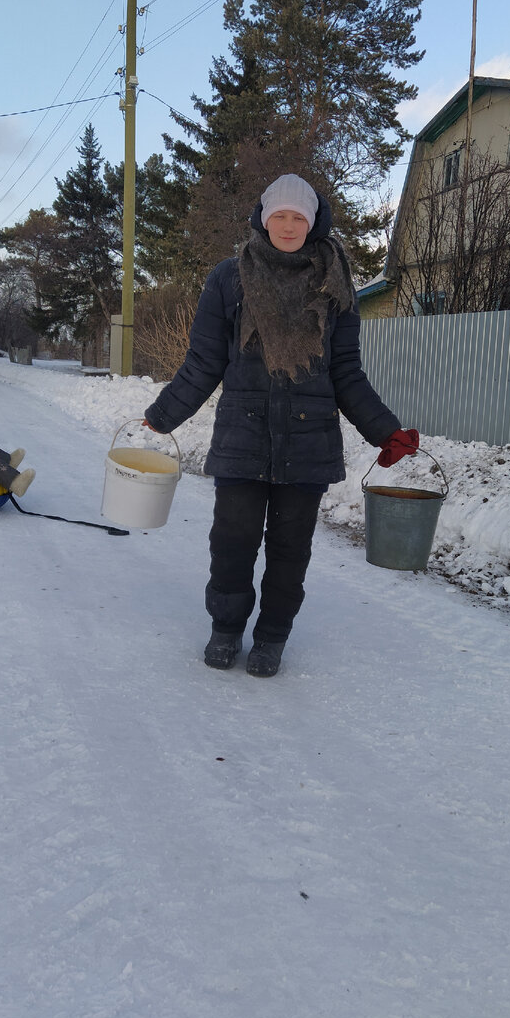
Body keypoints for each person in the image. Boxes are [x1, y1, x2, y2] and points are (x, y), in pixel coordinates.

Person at [144, 173, 419, 678]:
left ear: (313, 222)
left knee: (290, 552)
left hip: (309, 441)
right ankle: (225, 629)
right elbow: (204, 361)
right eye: (280, 215)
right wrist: (165, 413)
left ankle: (271, 637)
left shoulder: (334, 283)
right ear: (263, 218)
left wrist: (385, 430)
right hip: (241, 437)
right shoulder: (228, 279)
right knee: (232, 543)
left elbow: (345, 372)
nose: (289, 225)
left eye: (299, 216)